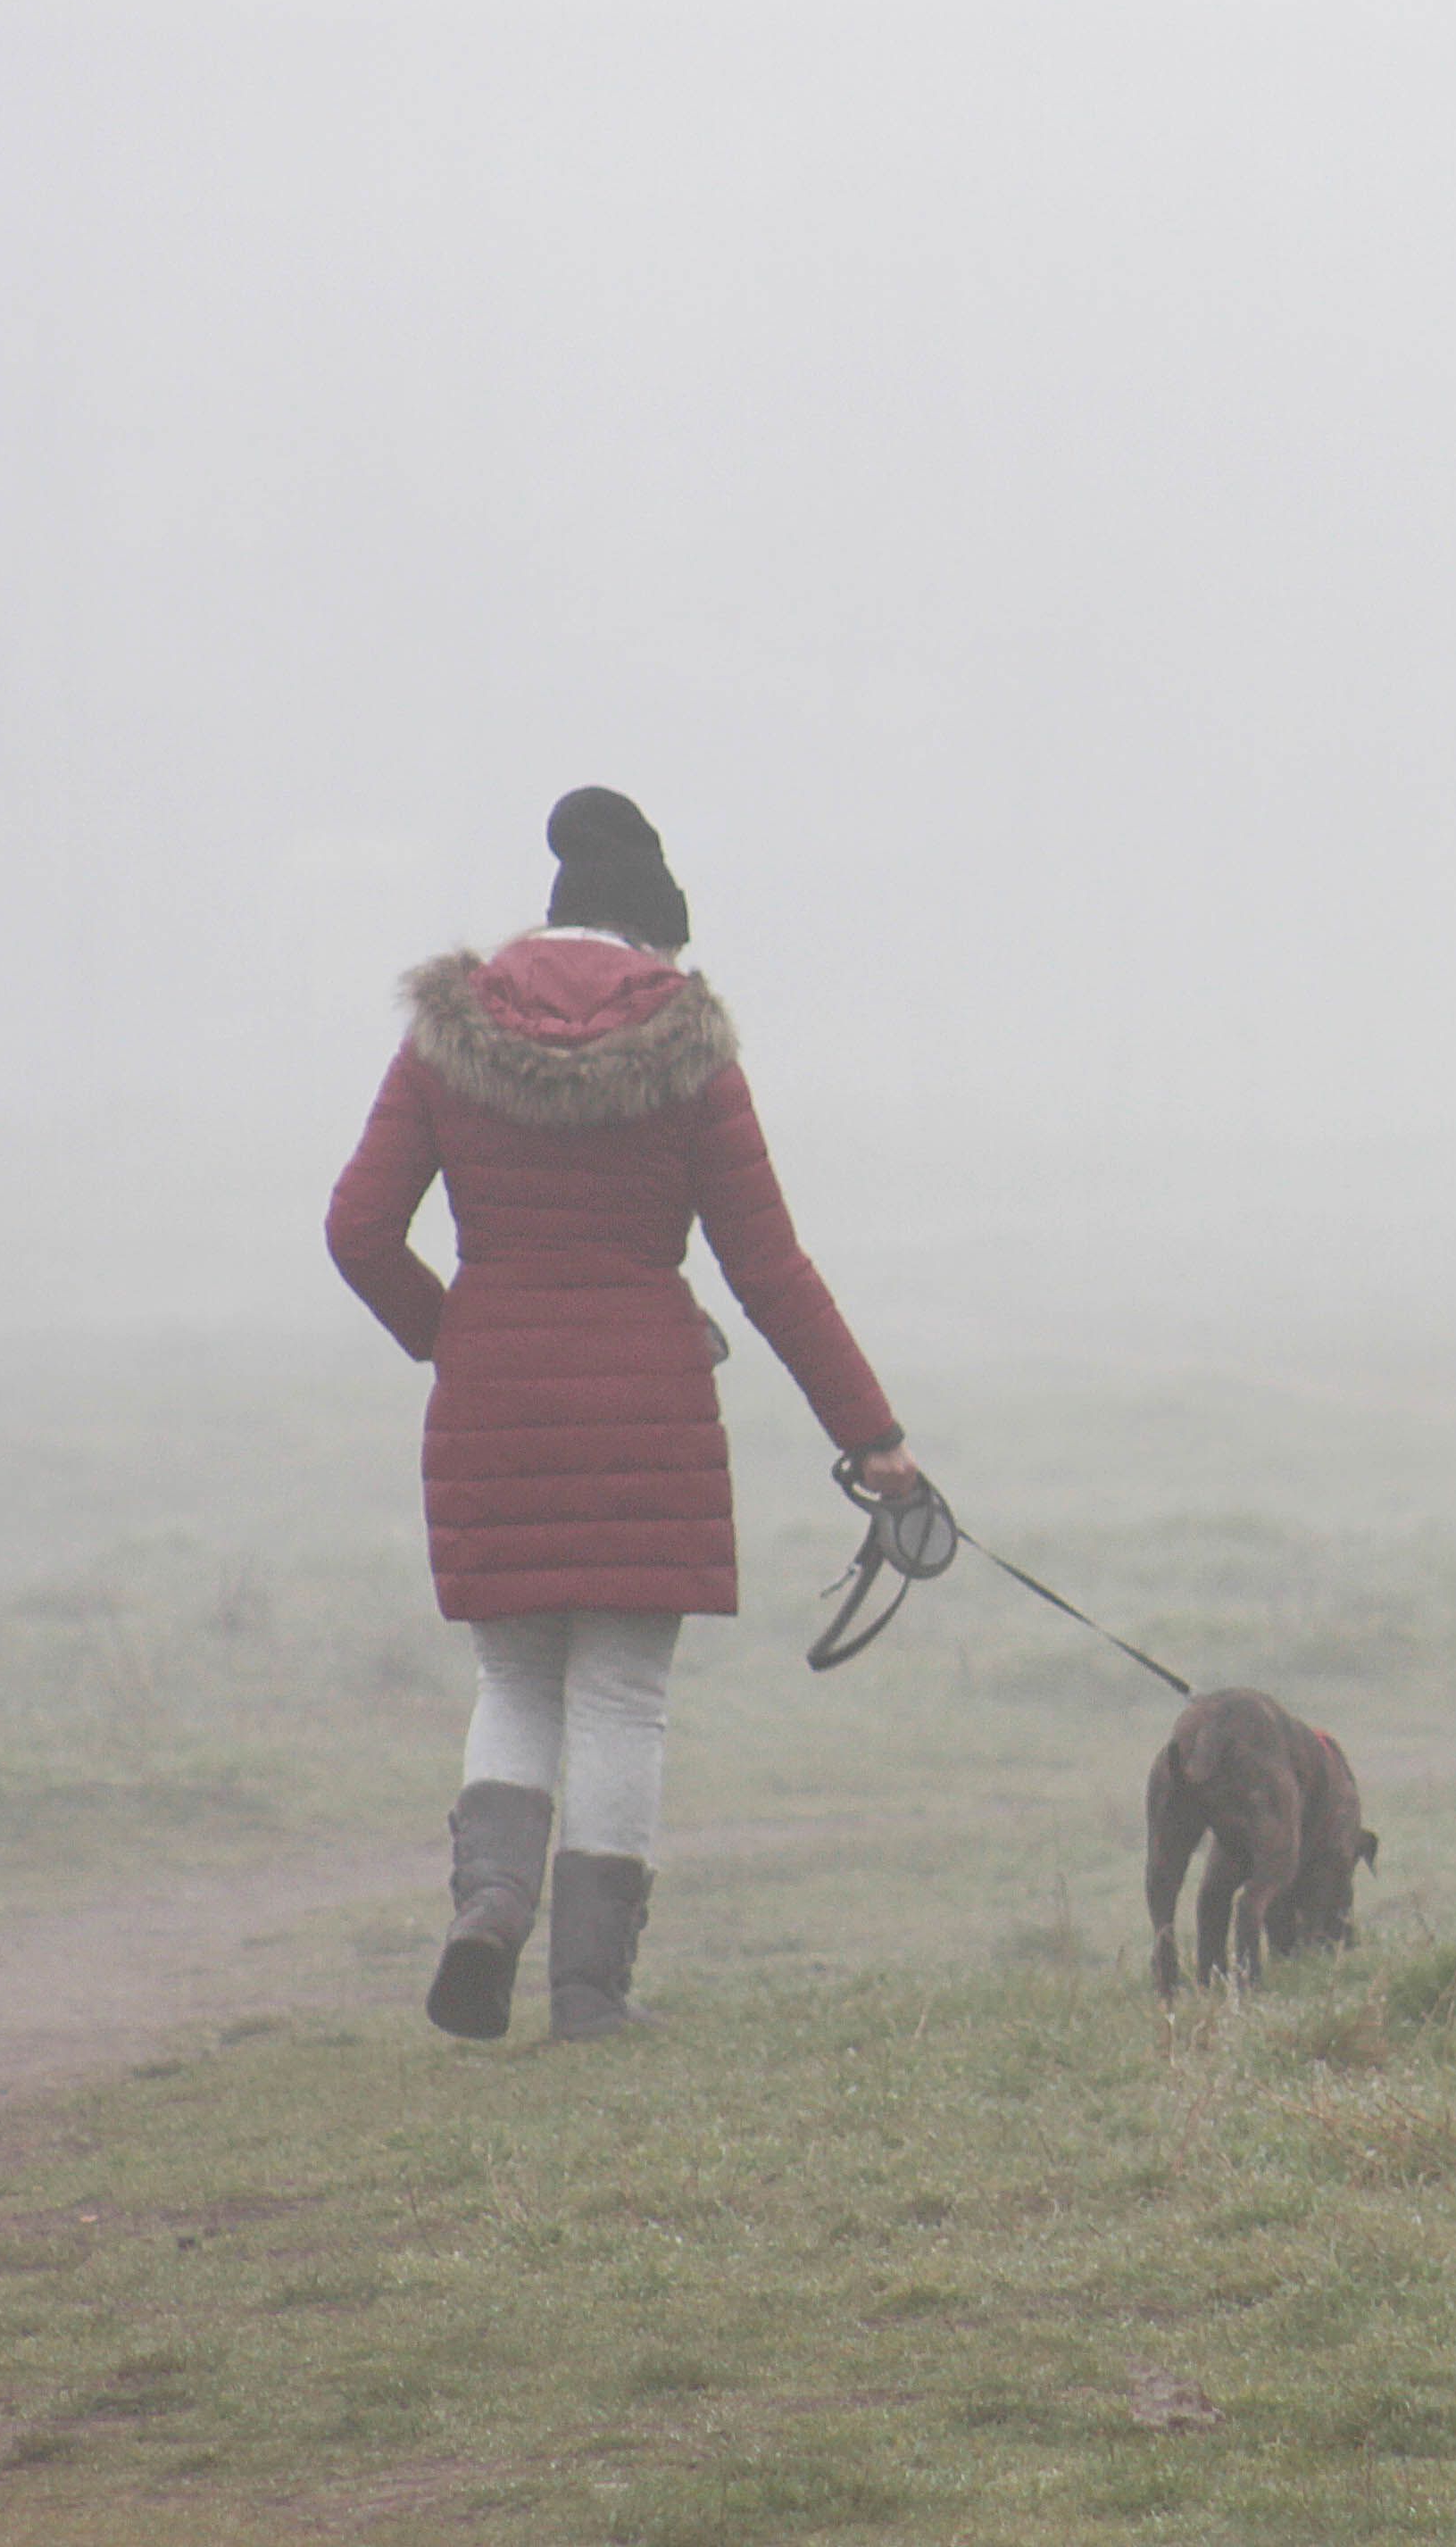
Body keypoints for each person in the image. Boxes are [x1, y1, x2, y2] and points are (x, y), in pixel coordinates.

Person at [325, 787, 916, 2040]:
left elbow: (360, 1231)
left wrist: (458, 1338)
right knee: (620, 1698)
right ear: (653, 941)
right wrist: (872, 1438)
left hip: (493, 1405)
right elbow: (767, 1269)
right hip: (646, 1408)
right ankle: (590, 1993)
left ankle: (488, 1908)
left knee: (518, 1676)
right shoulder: (687, 1048)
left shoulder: (446, 1037)